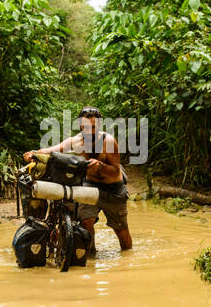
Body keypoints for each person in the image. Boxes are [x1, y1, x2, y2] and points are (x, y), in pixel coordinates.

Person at [23, 106, 132, 251]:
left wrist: (100, 166)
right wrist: (34, 153)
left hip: (113, 188)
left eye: (94, 127)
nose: (90, 131)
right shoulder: (76, 141)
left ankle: (127, 259)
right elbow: (52, 151)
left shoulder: (109, 142)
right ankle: (91, 253)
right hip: (90, 185)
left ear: (99, 125)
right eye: (86, 127)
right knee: (86, 222)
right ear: (80, 125)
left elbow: (114, 171)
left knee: (121, 231)